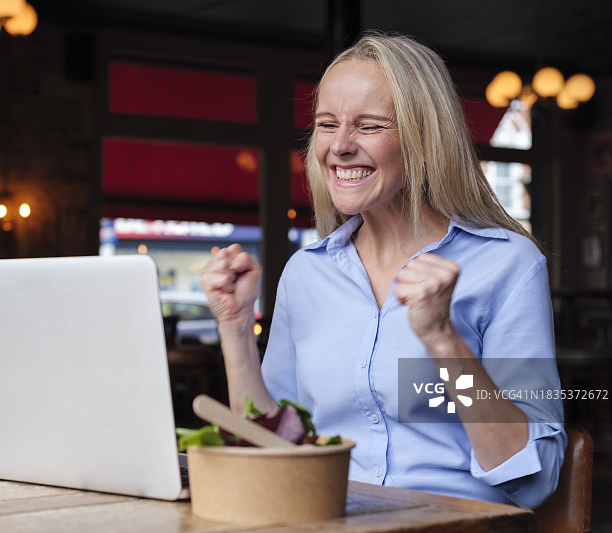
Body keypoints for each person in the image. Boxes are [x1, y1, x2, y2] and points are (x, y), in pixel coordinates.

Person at [199, 31, 565, 509]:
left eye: (369, 126)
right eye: (327, 124)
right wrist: (234, 327)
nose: (340, 146)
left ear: (423, 139)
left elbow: (533, 479)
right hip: (327, 516)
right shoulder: (306, 274)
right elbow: (276, 445)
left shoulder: (507, 265)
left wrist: (443, 340)